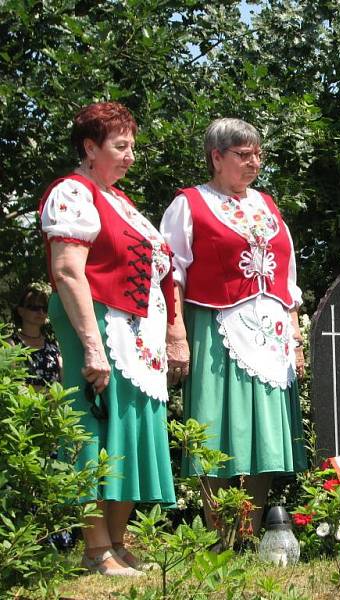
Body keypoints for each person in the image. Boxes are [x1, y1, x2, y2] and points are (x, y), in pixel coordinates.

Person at [39, 102, 176, 576]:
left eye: (132, 146)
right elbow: (68, 272)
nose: (131, 156)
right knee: (95, 426)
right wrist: (92, 346)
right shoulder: (72, 193)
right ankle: (95, 549)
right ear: (89, 148)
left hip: (137, 334)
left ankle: (117, 542)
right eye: (121, 146)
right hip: (95, 324)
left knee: (132, 429)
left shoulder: (121, 201)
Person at [160, 117, 307, 538]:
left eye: (257, 154)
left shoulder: (268, 205)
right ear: (216, 157)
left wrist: (295, 337)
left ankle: (249, 532)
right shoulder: (189, 204)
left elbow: (288, 278)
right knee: (220, 428)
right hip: (216, 328)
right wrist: (176, 333)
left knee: (265, 434)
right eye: (244, 155)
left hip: (272, 332)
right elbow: (171, 273)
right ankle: (219, 536)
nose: (254, 163)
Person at [10, 283, 61, 388]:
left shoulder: (54, 345)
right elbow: (13, 383)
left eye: (44, 308)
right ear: (21, 311)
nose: (41, 312)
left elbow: (63, 381)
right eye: (34, 307)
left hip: (55, 403)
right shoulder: (10, 344)